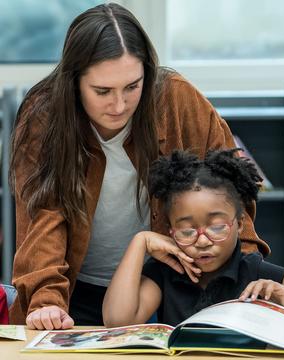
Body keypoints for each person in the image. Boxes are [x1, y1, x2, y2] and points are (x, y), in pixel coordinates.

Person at [9, 3, 269, 329]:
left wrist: (242, 273)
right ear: (73, 82)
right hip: (74, 290)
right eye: (102, 91)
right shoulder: (43, 116)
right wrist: (46, 300)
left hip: (174, 281)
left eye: (132, 86)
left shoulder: (177, 100)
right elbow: (41, 218)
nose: (119, 106)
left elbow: (230, 188)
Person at [103, 148, 284, 331]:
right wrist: (140, 242)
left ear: (239, 225)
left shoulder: (256, 272)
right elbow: (117, 321)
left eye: (216, 227)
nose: (202, 241)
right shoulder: (165, 274)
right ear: (170, 232)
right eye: (187, 231)